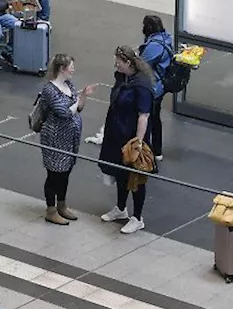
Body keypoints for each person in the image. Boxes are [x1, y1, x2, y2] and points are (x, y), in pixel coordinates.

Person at [98, 46, 156, 234]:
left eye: (118, 61)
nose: (116, 64)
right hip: (116, 134)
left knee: (136, 178)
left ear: (128, 63)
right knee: (119, 172)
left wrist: (138, 143)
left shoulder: (142, 85)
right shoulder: (122, 78)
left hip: (131, 137)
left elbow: (144, 115)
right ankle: (121, 208)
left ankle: (137, 217)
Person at [39, 54, 95, 225]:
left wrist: (83, 97)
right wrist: (79, 100)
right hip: (55, 138)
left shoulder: (69, 85)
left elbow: (78, 108)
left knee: (65, 172)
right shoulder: (50, 90)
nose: (73, 69)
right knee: (54, 174)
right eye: (71, 66)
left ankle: (61, 205)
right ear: (62, 69)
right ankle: (51, 210)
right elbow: (63, 112)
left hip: (70, 138)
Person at [138, 15, 173, 161]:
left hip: (153, 87)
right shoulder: (166, 38)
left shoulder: (154, 45)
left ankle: (145, 149)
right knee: (155, 117)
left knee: (147, 117)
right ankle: (157, 150)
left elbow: (141, 64)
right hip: (161, 85)